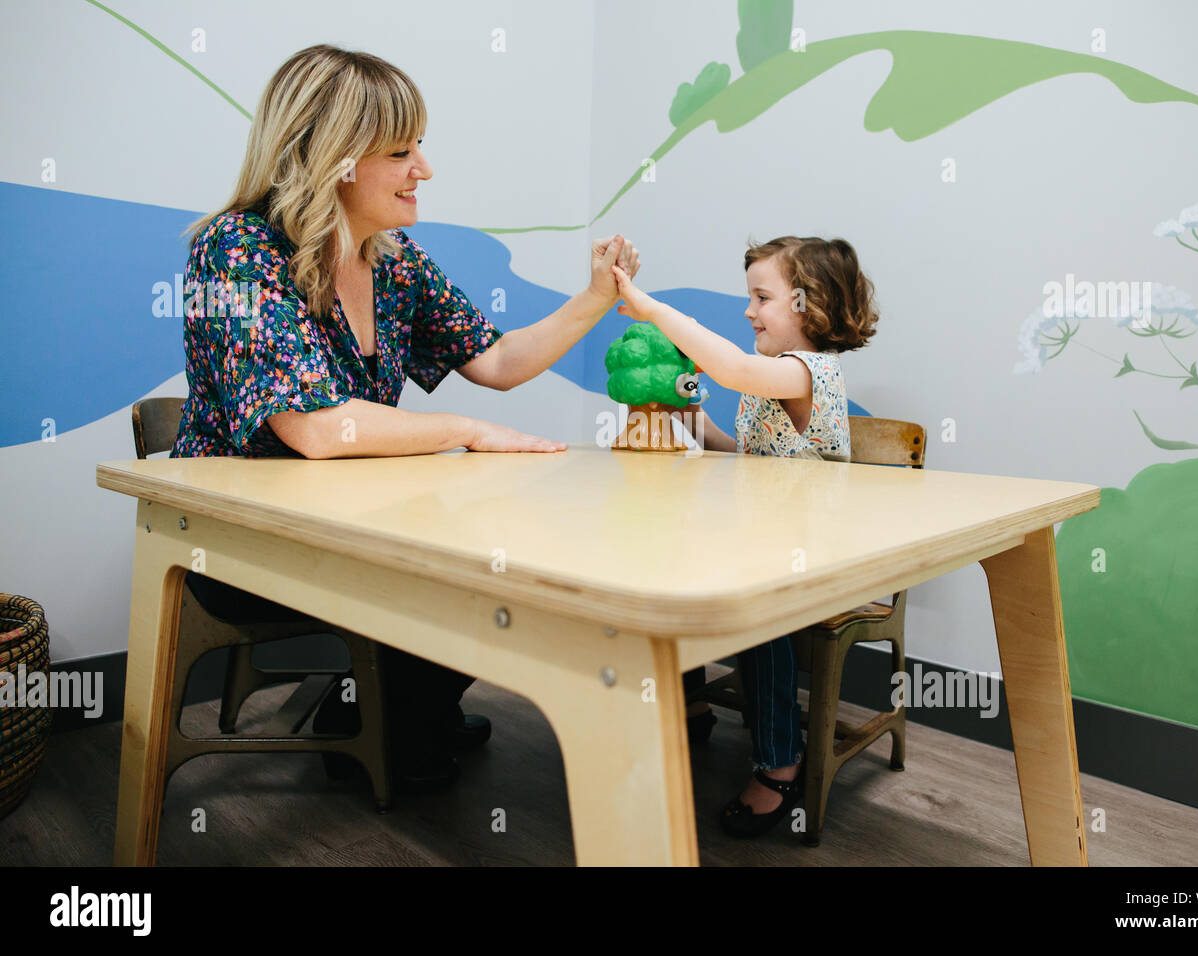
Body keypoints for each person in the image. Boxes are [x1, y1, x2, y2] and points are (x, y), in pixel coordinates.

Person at [171, 44, 640, 791]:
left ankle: (387, 714)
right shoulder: (236, 248)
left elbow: (498, 363)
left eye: (419, 145)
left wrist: (594, 297)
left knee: (497, 554)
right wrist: (465, 430)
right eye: (401, 150)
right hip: (242, 545)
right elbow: (316, 427)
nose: (424, 167)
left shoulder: (395, 263)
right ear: (333, 157)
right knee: (458, 568)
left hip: (358, 522)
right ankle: (383, 720)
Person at [609, 236, 878, 835]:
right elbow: (753, 455)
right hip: (763, 542)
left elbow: (729, 366)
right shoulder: (773, 383)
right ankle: (689, 704)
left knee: (762, 623)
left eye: (762, 297)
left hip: (810, 556)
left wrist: (652, 309)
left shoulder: (809, 373)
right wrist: (696, 424)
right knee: (668, 573)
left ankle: (779, 762)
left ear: (809, 305)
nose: (750, 310)